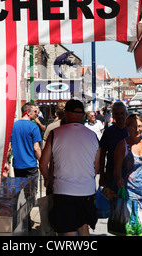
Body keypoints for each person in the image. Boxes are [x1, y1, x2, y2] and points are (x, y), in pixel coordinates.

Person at [39, 99, 101, 236]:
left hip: (63, 190)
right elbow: (96, 167)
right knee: (84, 228)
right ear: (83, 115)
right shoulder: (93, 136)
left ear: (66, 113)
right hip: (87, 190)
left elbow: (43, 163)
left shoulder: (55, 134)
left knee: (68, 231)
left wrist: (48, 178)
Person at [7, 102, 42, 195]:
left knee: (20, 193)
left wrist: (7, 161)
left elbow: (8, 147)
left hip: (18, 165)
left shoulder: (13, 126)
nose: (37, 113)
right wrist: (42, 162)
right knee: (32, 192)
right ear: (28, 112)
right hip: (31, 165)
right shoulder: (34, 127)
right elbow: (36, 148)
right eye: (35, 111)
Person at [99, 101, 128, 189]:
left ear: (126, 114)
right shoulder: (108, 132)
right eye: (116, 114)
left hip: (130, 175)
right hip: (112, 176)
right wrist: (102, 176)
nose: (119, 116)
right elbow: (102, 154)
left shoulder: (131, 130)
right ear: (113, 116)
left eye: (122, 113)